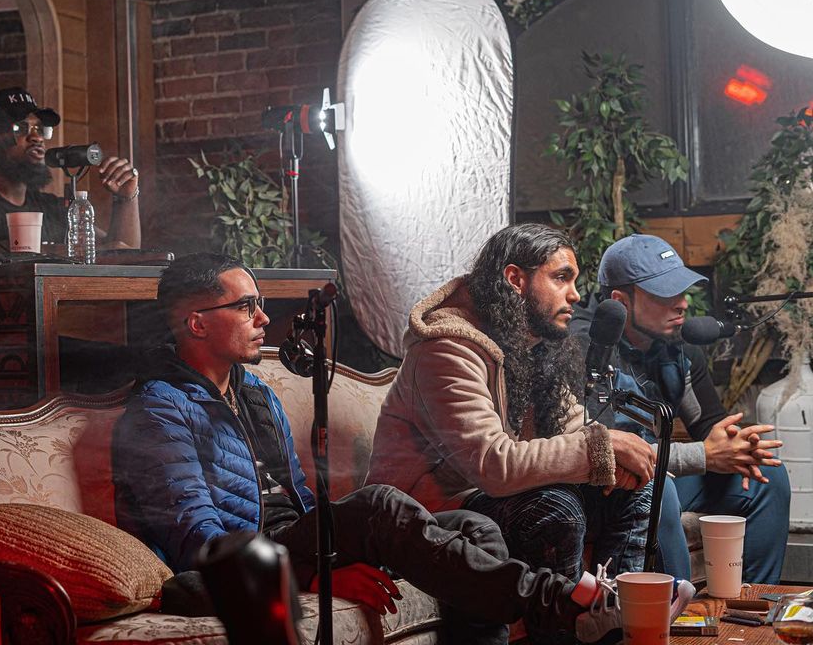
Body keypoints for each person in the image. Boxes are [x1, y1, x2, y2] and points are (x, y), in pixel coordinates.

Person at [110, 252, 656, 645]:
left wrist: (331, 552)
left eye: (261, 304)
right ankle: (560, 601)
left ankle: (561, 605)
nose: (263, 319)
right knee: (378, 504)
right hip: (234, 563)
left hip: (291, 541)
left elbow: (299, 500)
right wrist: (316, 576)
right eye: (246, 306)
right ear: (197, 323)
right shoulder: (161, 410)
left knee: (475, 527)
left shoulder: (255, 393)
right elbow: (199, 540)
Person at [365, 223, 657, 637]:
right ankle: (566, 628)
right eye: (561, 278)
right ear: (516, 280)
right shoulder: (446, 350)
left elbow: (582, 432)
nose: (575, 295)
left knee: (636, 487)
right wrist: (602, 448)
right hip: (432, 515)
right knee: (553, 509)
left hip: (496, 499)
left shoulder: (531, 348)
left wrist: (626, 458)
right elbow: (494, 466)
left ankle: (617, 620)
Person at [574, 234, 789, 583]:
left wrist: (736, 444)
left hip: (657, 470)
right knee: (660, 491)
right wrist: (704, 455)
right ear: (620, 301)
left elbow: (709, 423)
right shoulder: (588, 349)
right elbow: (611, 452)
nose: (683, 304)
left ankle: (756, 600)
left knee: (767, 477)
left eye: (682, 290)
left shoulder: (678, 348)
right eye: (665, 294)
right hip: (601, 483)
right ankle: (674, 608)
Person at [0, 87, 140, 254]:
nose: (36, 137)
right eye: (21, 128)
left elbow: (120, 251)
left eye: (40, 129)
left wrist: (126, 198)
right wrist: (75, 252)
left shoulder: (50, 207)